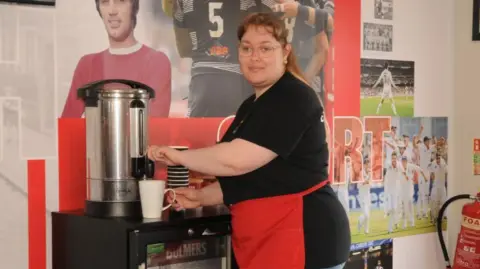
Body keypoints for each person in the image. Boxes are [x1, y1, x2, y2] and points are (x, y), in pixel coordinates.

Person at [148, 12, 350, 269]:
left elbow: (237, 161)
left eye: (266, 48)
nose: (255, 57)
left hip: (305, 240)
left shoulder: (293, 97)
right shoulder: (252, 106)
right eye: (247, 48)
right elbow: (252, 179)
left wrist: (179, 156)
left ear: (285, 52)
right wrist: (202, 197)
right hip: (270, 240)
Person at [61, 0, 171, 118]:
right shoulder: (87, 65)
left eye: (121, 1)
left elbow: (154, 130)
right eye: (105, 2)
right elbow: (68, 129)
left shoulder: (157, 62)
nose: (112, 11)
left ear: (134, 7)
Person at [172, 0, 257, 117]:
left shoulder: (184, 2)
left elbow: (184, 49)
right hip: (236, 80)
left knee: (197, 132)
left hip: (202, 79)